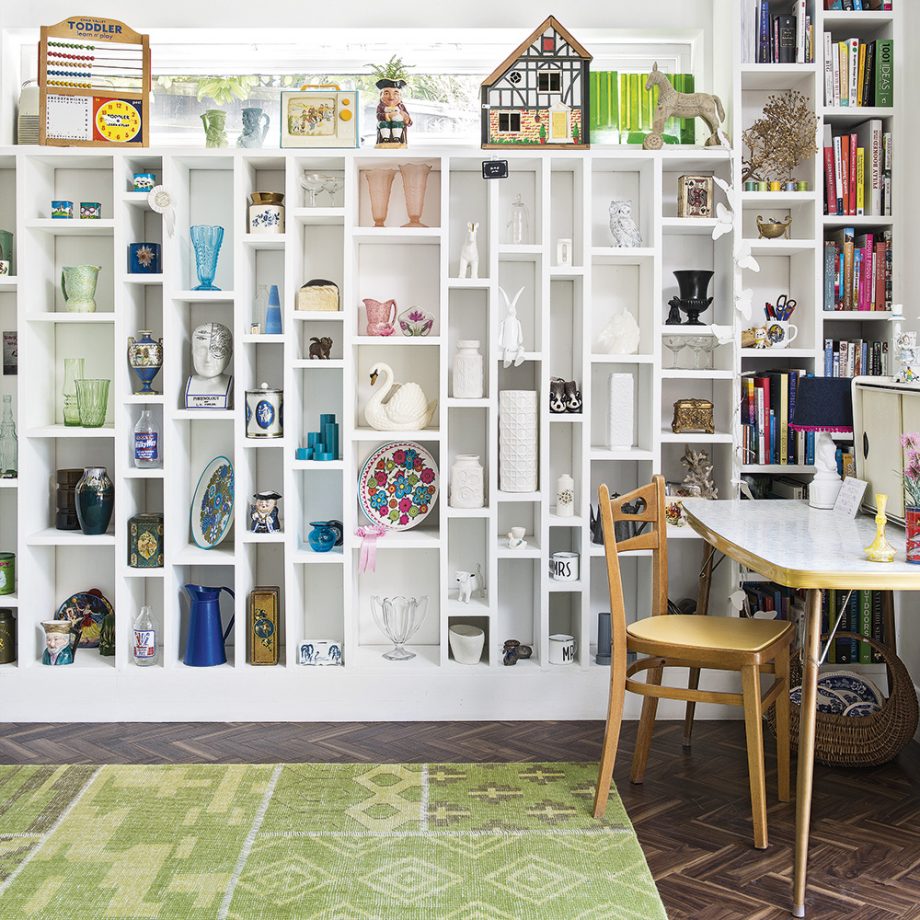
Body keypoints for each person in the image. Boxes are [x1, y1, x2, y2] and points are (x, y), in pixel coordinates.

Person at [375, 79, 412, 147]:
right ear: (381, 95)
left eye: (395, 93)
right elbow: (378, 116)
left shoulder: (401, 107)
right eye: (386, 93)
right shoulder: (381, 107)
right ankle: (385, 139)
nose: (391, 97)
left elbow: (409, 122)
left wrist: (404, 116)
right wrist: (387, 115)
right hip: (384, 125)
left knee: (398, 124)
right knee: (383, 124)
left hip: (399, 126)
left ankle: (397, 139)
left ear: (400, 96)